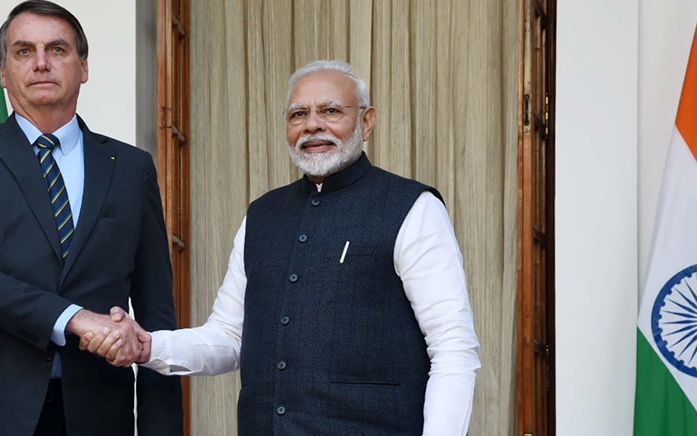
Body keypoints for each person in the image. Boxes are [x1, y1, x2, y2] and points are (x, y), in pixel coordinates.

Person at [83, 59, 481, 435]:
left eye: (330, 111)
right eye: (298, 115)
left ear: (367, 121)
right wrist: (149, 345)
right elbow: (228, 336)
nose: (312, 126)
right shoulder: (262, 215)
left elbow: (453, 348)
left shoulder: (413, 208)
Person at [0, 0, 182, 436]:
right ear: (3, 72)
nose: (41, 63)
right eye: (24, 51)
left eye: (58, 49)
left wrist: (162, 428)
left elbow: (156, 311)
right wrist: (75, 317)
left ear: (83, 67)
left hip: (100, 414)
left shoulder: (131, 167)